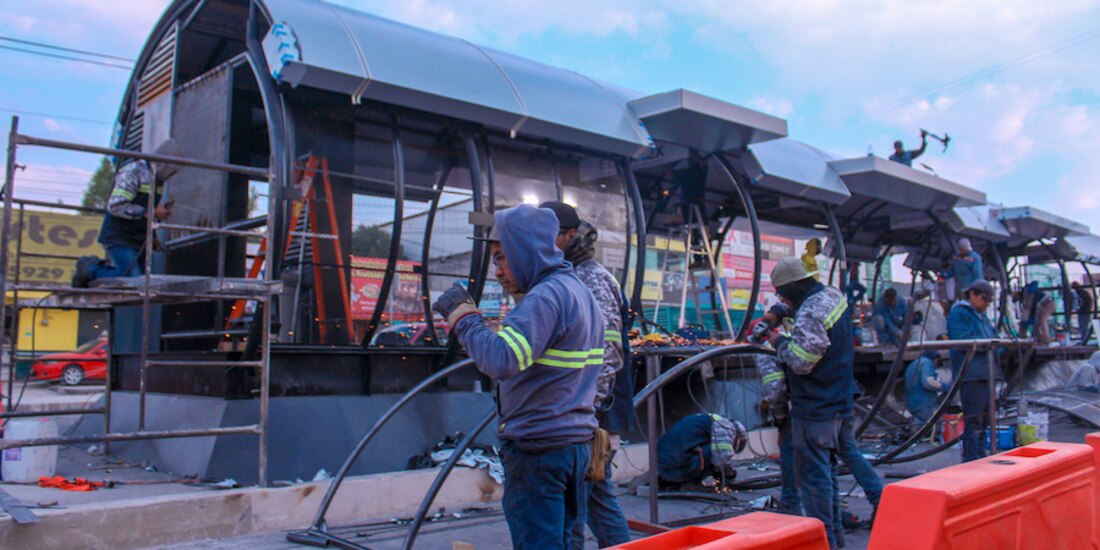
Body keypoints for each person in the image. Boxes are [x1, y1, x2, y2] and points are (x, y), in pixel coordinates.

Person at [431, 204, 604, 549]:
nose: (496, 271)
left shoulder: (545, 298)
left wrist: (463, 318)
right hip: (573, 447)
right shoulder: (579, 292)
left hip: (539, 451)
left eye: (501, 258)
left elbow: (501, 359)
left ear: (527, 252)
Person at [539, 201, 632, 549]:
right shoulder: (568, 275)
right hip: (585, 413)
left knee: (589, 502)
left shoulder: (590, 279)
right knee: (589, 501)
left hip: (593, 416)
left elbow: (608, 354)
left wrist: (583, 410)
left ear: (569, 236)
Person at [768, 256, 854, 548]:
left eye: (782, 294)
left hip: (814, 407)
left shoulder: (809, 312)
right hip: (836, 401)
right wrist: (777, 312)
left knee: (814, 484)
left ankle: (825, 543)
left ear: (793, 288)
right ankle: (837, 540)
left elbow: (802, 361)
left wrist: (778, 342)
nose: (781, 299)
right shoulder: (831, 295)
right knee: (827, 476)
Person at [72, 140, 182, 287]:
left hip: (140, 237)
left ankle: (98, 272)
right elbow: (116, 206)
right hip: (120, 236)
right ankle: (91, 269)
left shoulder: (158, 181)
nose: (171, 174)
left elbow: (148, 212)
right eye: (172, 169)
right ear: (164, 162)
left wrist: (153, 236)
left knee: (143, 282)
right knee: (133, 280)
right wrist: (152, 212)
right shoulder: (134, 172)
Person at [946, 280, 1001, 462]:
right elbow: (962, 340)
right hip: (971, 374)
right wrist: (988, 345)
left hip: (987, 372)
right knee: (975, 421)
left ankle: (981, 457)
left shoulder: (982, 316)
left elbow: (993, 337)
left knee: (985, 420)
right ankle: (972, 460)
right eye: (984, 299)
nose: (987, 304)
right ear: (973, 295)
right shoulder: (960, 314)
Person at [656, 413, 747, 486]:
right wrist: (729, 474)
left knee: (712, 449)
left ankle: (681, 481)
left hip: (663, 467)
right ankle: (691, 483)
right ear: (737, 438)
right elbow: (721, 459)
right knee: (716, 452)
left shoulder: (707, 419)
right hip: (678, 467)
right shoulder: (726, 427)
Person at [905, 349, 945, 428]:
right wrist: (944, 387)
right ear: (936, 359)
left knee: (922, 427)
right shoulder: (927, 363)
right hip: (924, 403)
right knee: (935, 427)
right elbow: (928, 383)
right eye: (937, 363)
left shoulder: (914, 363)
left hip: (913, 403)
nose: (936, 366)